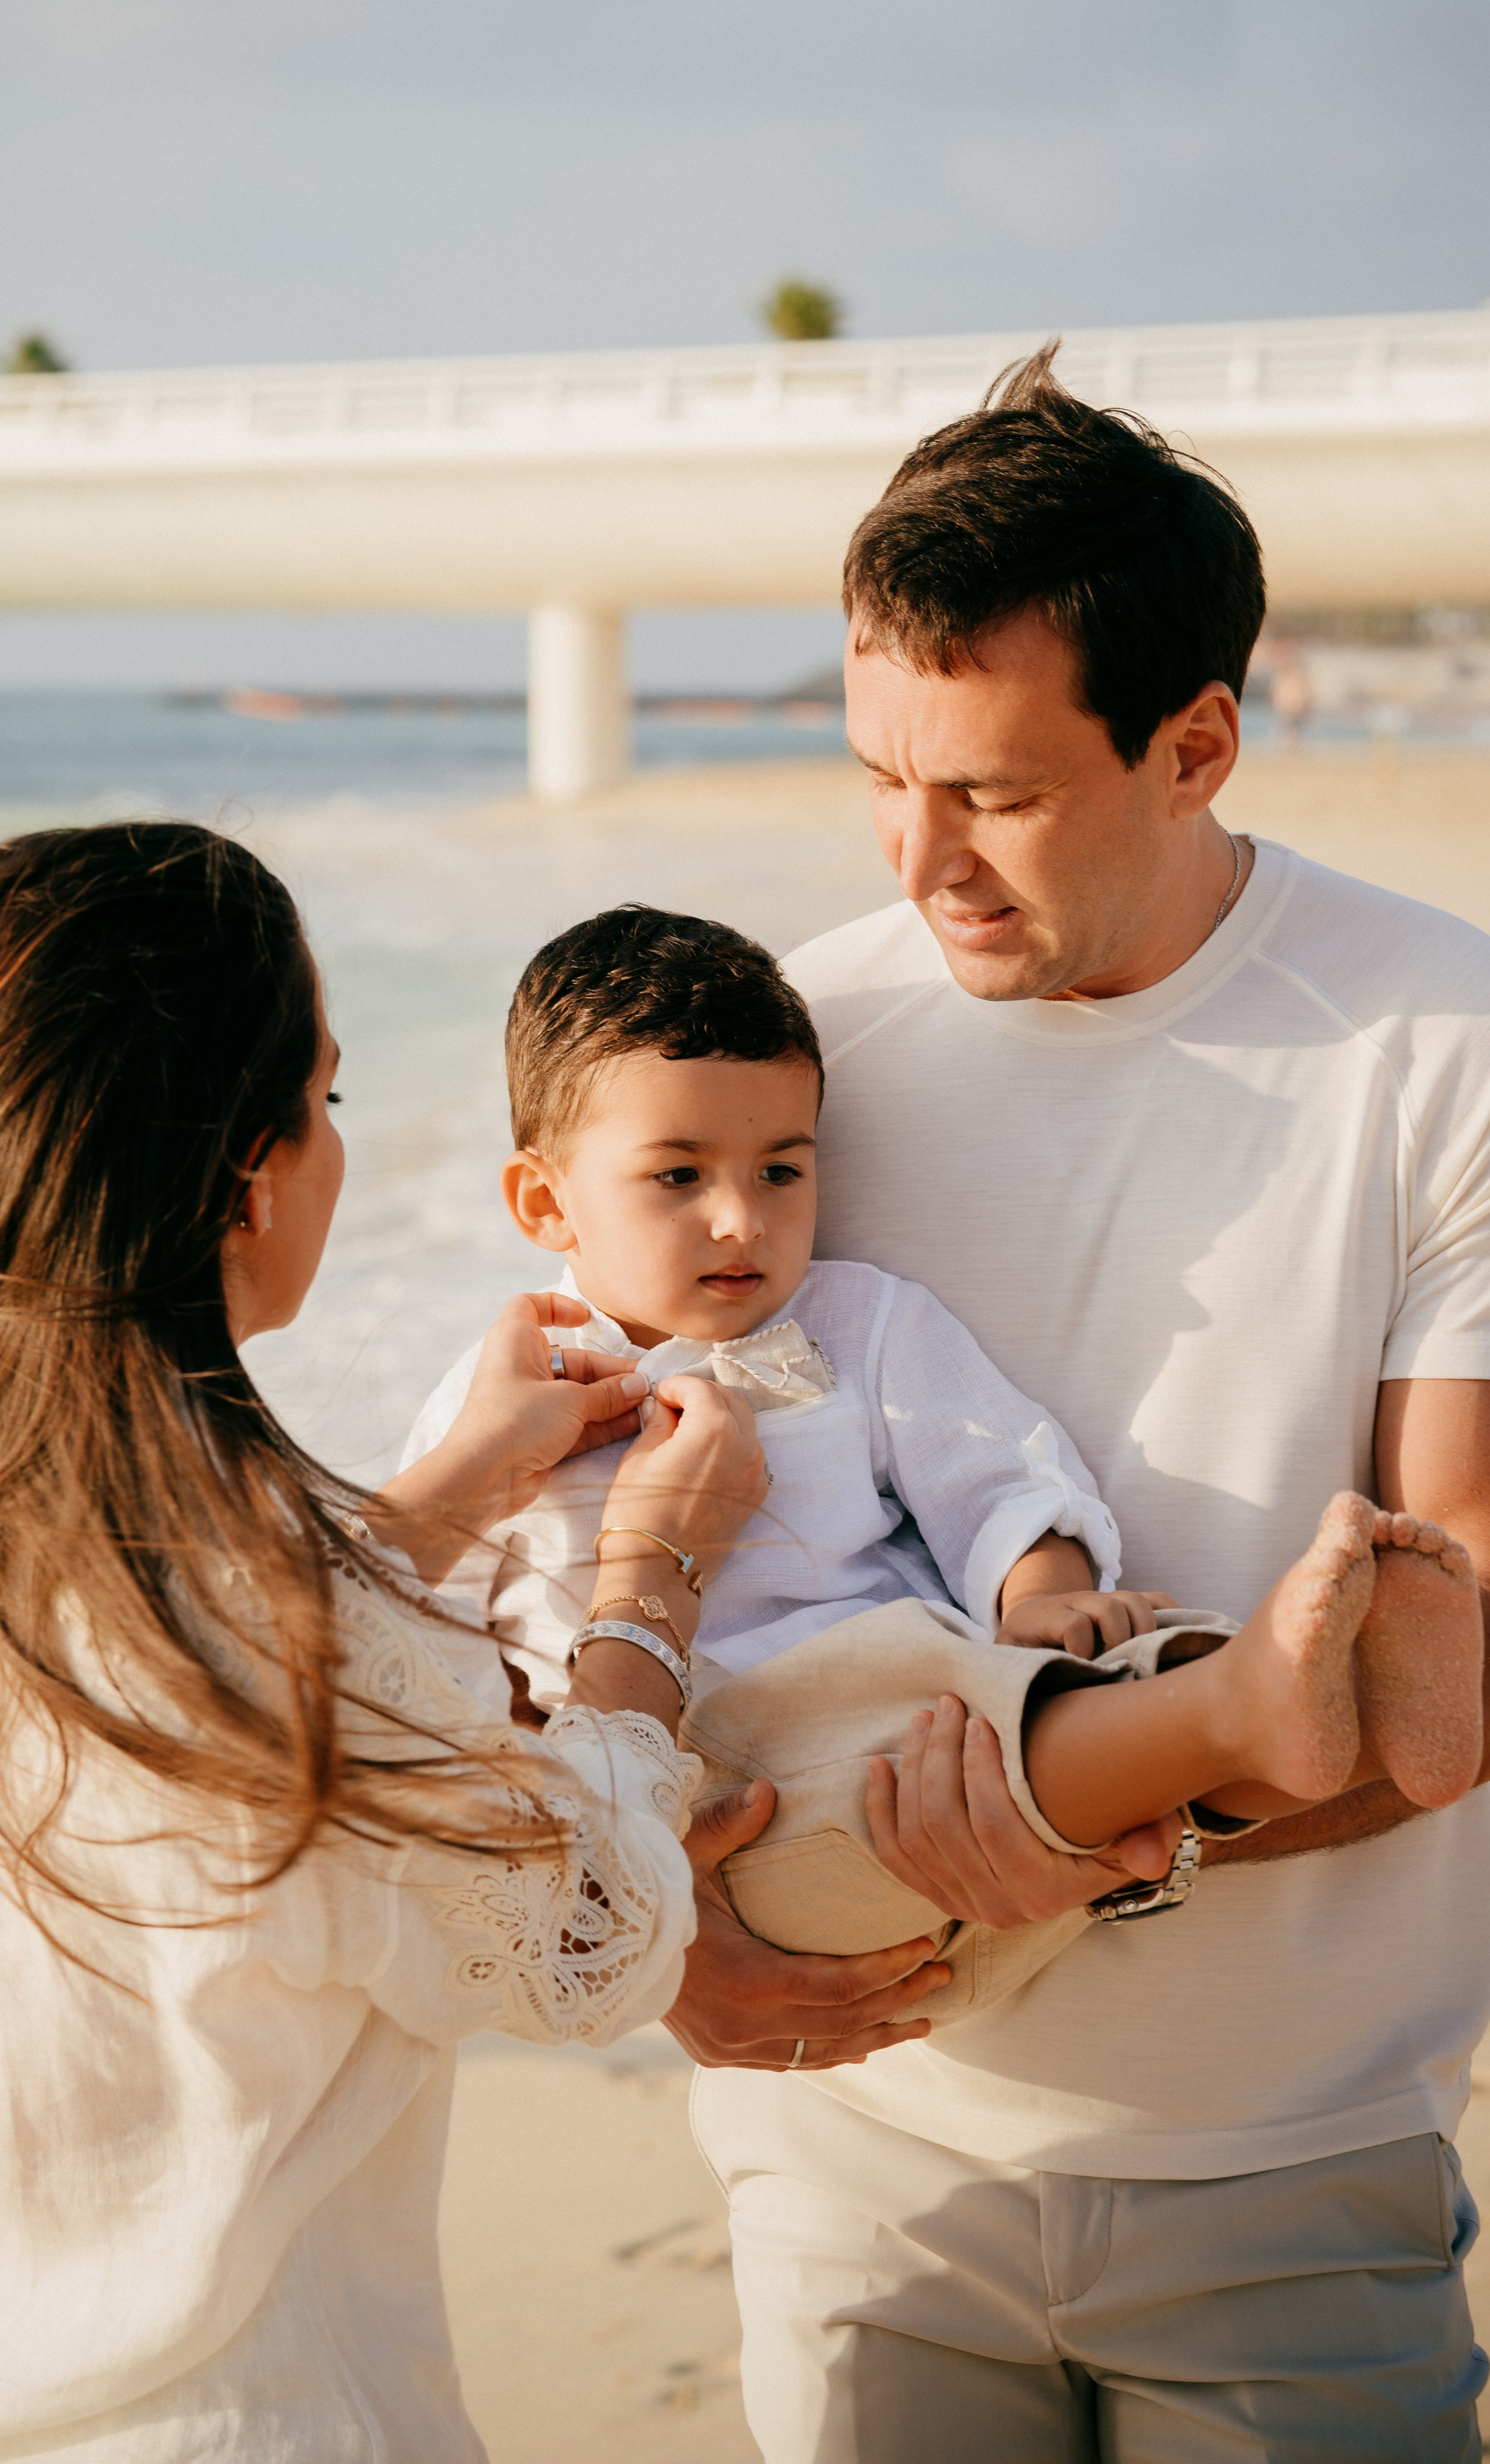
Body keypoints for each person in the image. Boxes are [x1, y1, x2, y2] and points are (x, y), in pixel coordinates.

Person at [668, 348, 1490, 2461]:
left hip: (1287, 2160)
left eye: (998, 795)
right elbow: (607, 1539)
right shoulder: (790, 1056)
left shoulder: (1443, 1045)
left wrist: (1091, 1844)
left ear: (1196, 742)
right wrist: (665, 1942)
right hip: (857, 2142)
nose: (920, 859)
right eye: (881, 775)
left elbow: (1462, 1631)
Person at [0, 820, 806, 2463]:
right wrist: (651, 1577)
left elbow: (189, 1677)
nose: (333, 1141)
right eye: (327, 1099)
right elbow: (588, 1941)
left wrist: (458, 1483)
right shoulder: (294, 1638)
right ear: (251, 1175)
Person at [405, 904, 1481, 2013]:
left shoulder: (859, 1322)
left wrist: (1045, 1597)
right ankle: (1255, 1710)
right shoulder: (505, 1399)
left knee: (1061, 1691)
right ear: (545, 1201)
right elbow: (422, 1644)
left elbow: (999, 1471)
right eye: (679, 1177)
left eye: (781, 1171)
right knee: (985, 1756)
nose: (741, 1220)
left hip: (918, 1735)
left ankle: (1313, 1716)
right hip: (721, 1811)